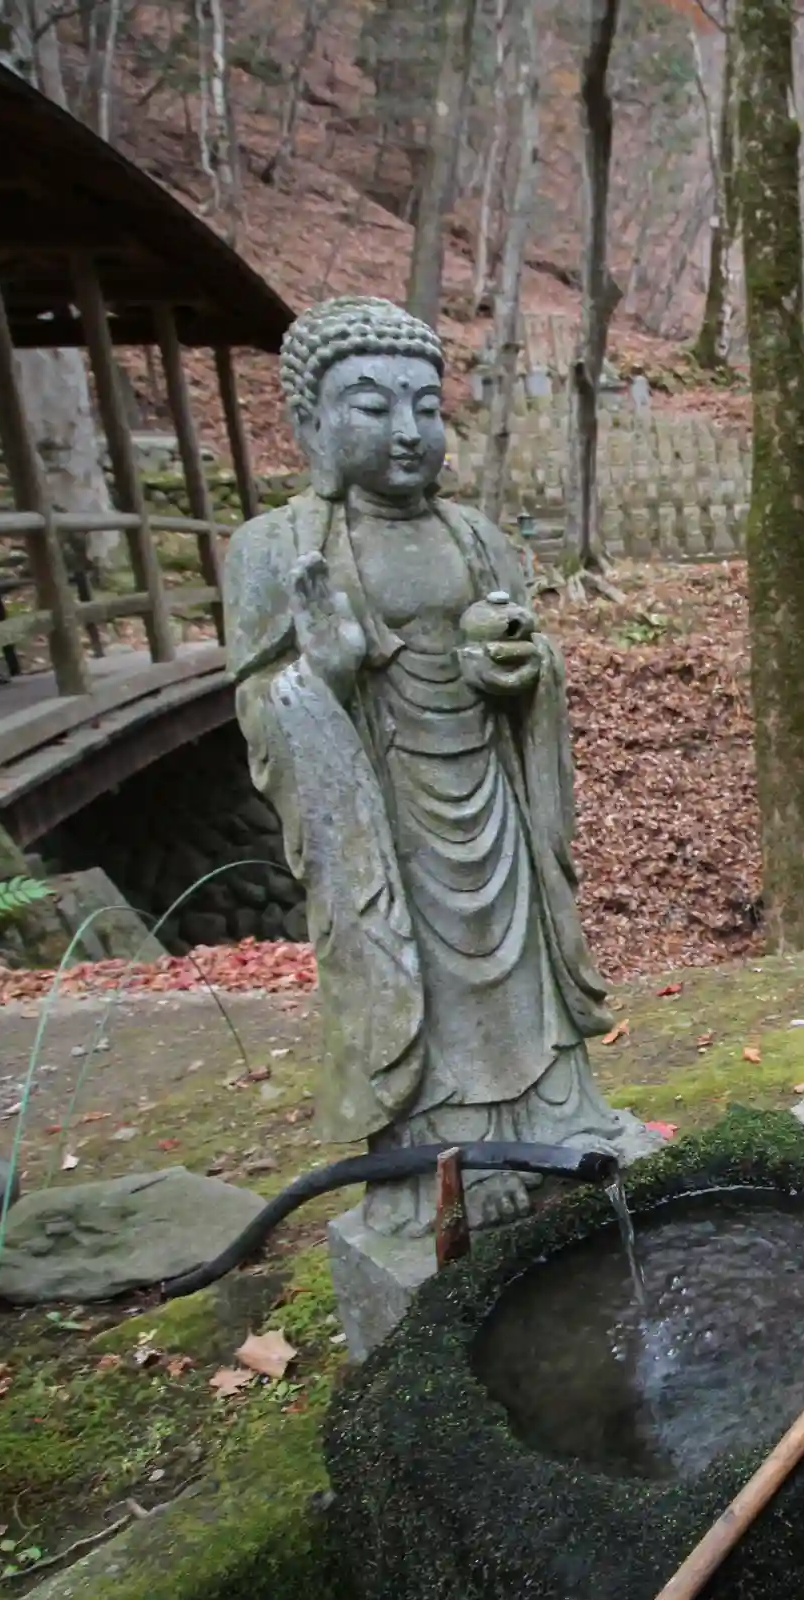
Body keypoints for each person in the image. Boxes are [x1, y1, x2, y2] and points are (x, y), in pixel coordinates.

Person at [226, 296, 651, 1237]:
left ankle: (558, 1113)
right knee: (416, 967)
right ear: (311, 422)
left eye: (426, 405)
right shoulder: (273, 549)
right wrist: (322, 677)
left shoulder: (478, 537)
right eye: (373, 406)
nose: (408, 430)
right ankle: (446, 1151)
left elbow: (527, 649)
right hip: (386, 814)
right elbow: (260, 707)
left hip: (494, 792)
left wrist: (523, 672)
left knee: (524, 960)